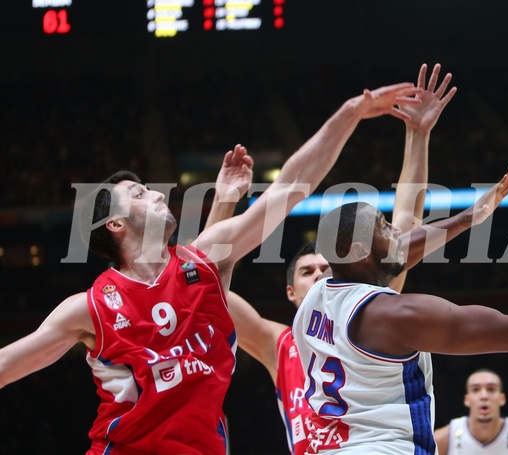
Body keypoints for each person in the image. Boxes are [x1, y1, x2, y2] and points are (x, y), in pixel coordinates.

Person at [0, 81, 423, 455]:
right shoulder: (89, 307)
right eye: (140, 193)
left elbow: (288, 191)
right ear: (114, 224)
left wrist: (350, 113)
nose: (157, 195)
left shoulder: (202, 261)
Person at [292, 177, 508, 454]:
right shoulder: (396, 314)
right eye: (384, 226)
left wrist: (468, 217)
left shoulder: (317, 293)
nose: (396, 231)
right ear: (361, 251)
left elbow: (396, 253)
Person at [217, 63, 458, 454]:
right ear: (292, 292)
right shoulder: (278, 345)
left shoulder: (368, 309)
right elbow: (204, 279)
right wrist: (225, 203)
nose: (318, 275)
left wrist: (418, 136)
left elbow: (407, 218)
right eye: (307, 272)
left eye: (326, 269)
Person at [433, 368, 508, 455]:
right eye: (476, 390)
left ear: (502, 399)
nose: (484, 396)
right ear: (467, 399)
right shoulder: (445, 438)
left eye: (491, 389)